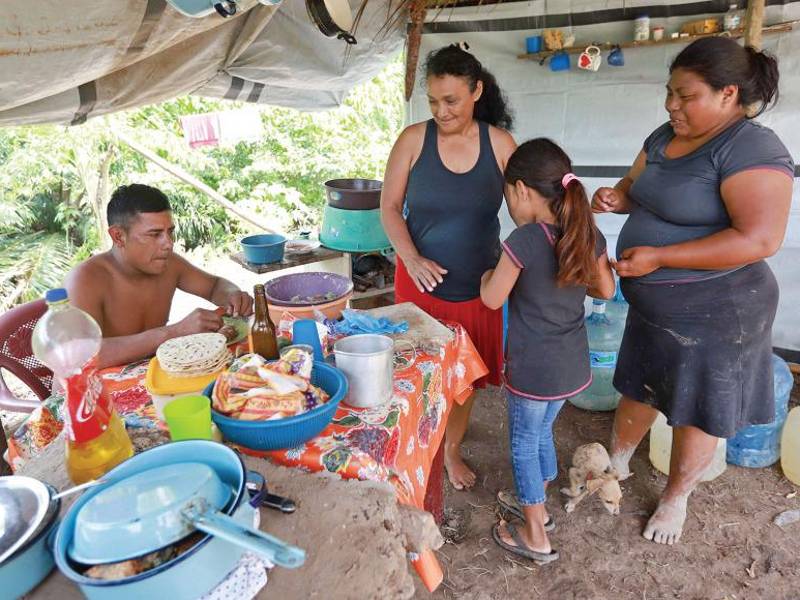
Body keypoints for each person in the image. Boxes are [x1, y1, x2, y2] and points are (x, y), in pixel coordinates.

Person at [592, 37, 794, 545]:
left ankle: (676, 497)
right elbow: (635, 185)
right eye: (669, 92)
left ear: (728, 94)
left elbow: (759, 239)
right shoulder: (664, 136)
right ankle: (617, 462)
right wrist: (617, 198)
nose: (671, 105)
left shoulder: (751, 149)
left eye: (686, 95)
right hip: (654, 303)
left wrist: (660, 257)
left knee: (697, 407)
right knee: (638, 382)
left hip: (719, 308)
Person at [380, 44, 516, 490]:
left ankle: (450, 451)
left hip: (478, 288)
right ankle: (418, 447)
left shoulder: (499, 145)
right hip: (420, 286)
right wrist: (412, 258)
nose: (441, 111)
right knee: (418, 376)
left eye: (451, 100)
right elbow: (389, 208)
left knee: (463, 382)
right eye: (434, 101)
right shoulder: (413, 141)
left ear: (476, 91)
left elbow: (527, 211)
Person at [480, 139, 614, 562]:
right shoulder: (585, 234)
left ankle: (536, 534)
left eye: (508, 197)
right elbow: (606, 289)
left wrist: (488, 273)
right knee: (540, 431)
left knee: (522, 441)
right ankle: (536, 496)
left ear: (521, 190)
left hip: (533, 369)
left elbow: (491, 299)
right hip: (571, 367)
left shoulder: (524, 240)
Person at [66, 184, 253, 369]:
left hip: (152, 375)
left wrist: (232, 295)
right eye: (155, 234)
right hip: (94, 389)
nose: (168, 244)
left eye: (170, 232)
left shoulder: (168, 264)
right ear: (118, 236)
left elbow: (214, 286)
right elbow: (83, 354)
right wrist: (175, 332)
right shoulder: (85, 279)